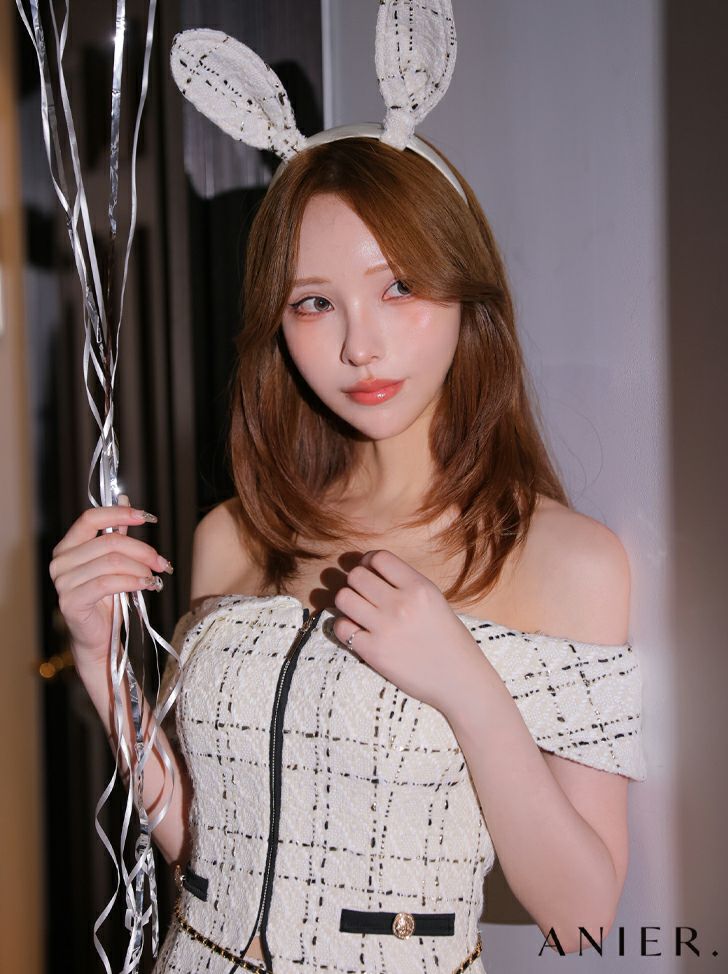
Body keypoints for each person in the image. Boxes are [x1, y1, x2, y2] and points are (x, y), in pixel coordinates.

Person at [49, 131, 646, 974]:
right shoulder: (236, 536)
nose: (360, 346)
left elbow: (581, 918)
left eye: (399, 286)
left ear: (465, 289)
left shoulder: (565, 561)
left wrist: (466, 683)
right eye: (313, 303)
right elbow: (206, 854)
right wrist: (100, 662)